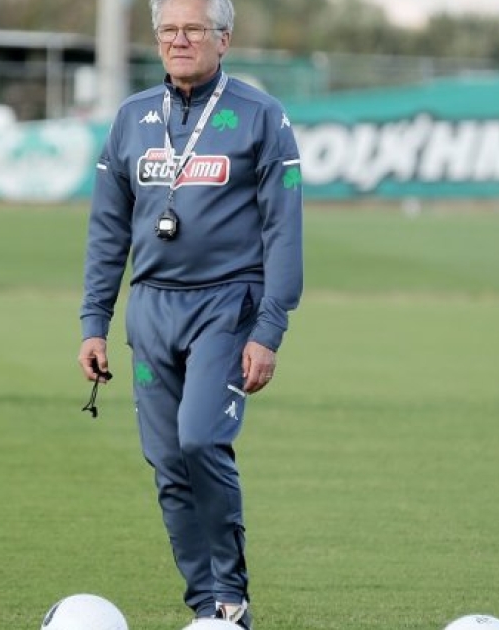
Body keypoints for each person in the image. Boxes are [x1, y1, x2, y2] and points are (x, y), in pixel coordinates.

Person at [76, 0, 304, 628]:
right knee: (169, 466)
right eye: (168, 30)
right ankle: (208, 607)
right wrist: (94, 322)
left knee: (201, 439)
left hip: (227, 306)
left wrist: (270, 329)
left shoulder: (261, 116)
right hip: (151, 308)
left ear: (223, 39)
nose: (179, 40)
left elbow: (284, 232)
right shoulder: (130, 118)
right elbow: (107, 230)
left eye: (194, 29)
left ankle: (231, 594)